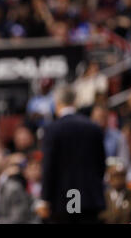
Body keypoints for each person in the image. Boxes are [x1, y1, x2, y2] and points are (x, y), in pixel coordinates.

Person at [38, 87, 106, 223]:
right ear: (75, 102)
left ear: (57, 103)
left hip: (66, 199)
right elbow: (101, 164)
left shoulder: (52, 129)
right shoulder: (93, 127)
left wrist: (45, 199)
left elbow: (49, 166)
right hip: (90, 198)